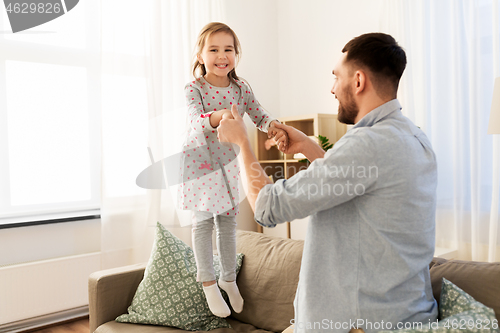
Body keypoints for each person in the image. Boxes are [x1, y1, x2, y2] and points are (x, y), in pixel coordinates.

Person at [217, 33, 438, 332]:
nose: (332, 88)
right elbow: (358, 189)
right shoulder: (414, 137)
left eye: (336, 77)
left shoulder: (366, 144)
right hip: (406, 316)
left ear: (358, 81)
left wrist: (241, 143)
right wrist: (310, 148)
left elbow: (267, 207)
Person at [179, 22, 288, 318]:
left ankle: (228, 278)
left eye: (228, 49)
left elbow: (258, 113)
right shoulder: (195, 88)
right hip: (201, 165)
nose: (222, 55)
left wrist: (272, 126)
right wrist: (220, 116)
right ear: (201, 56)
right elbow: (195, 121)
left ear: (236, 55)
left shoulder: (241, 89)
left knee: (228, 223)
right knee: (203, 224)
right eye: (213, 49)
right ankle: (208, 282)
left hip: (228, 164)